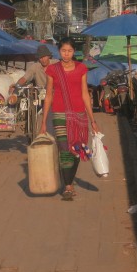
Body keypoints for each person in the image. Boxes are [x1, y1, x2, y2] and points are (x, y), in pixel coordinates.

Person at [39, 38, 100, 201]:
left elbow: (85, 94)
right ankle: (67, 186)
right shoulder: (52, 69)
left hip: (79, 115)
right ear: (59, 51)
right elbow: (49, 94)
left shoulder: (81, 68)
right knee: (65, 149)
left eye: (70, 51)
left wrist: (92, 119)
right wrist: (44, 121)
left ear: (74, 52)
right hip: (59, 114)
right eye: (63, 51)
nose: (66, 54)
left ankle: (69, 180)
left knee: (77, 151)